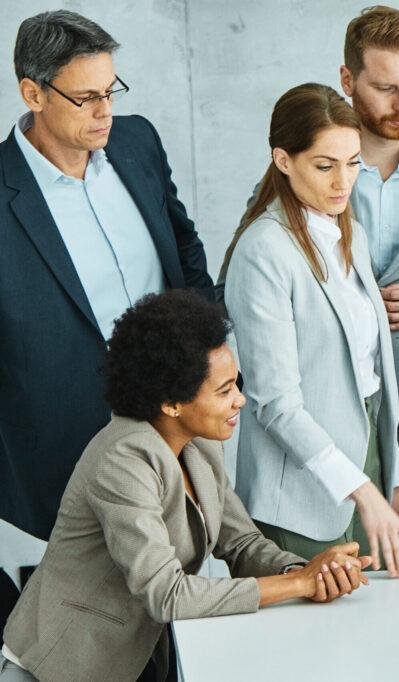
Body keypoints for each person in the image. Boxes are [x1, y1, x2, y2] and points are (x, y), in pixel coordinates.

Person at [0, 290, 371, 682]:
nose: (240, 400)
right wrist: (297, 583)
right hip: (61, 667)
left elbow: (242, 543)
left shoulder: (201, 444)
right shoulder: (121, 461)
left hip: (138, 660)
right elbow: (168, 594)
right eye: (224, 390)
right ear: (172, 403)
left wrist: (311, 571)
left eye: (236, 384)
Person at [0, 10, 214, 543]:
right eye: (86, 98)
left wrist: (211, 354)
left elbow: (184, 249)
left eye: (111, 90)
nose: (105, 112)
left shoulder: (137, 142)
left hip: (174, 425)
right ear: (33, 94)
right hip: (56, 452)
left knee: (180, 592)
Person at [222, 83, 399, 577]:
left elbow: (372, 374)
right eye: (325, 165)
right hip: (300, 496)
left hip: (368, 465)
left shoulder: (351, 233)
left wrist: (392, 478)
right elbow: (275, 404)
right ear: (283, 160)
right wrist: (362, 490)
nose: (343, 181)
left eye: (353, 163)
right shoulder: (264, 251)